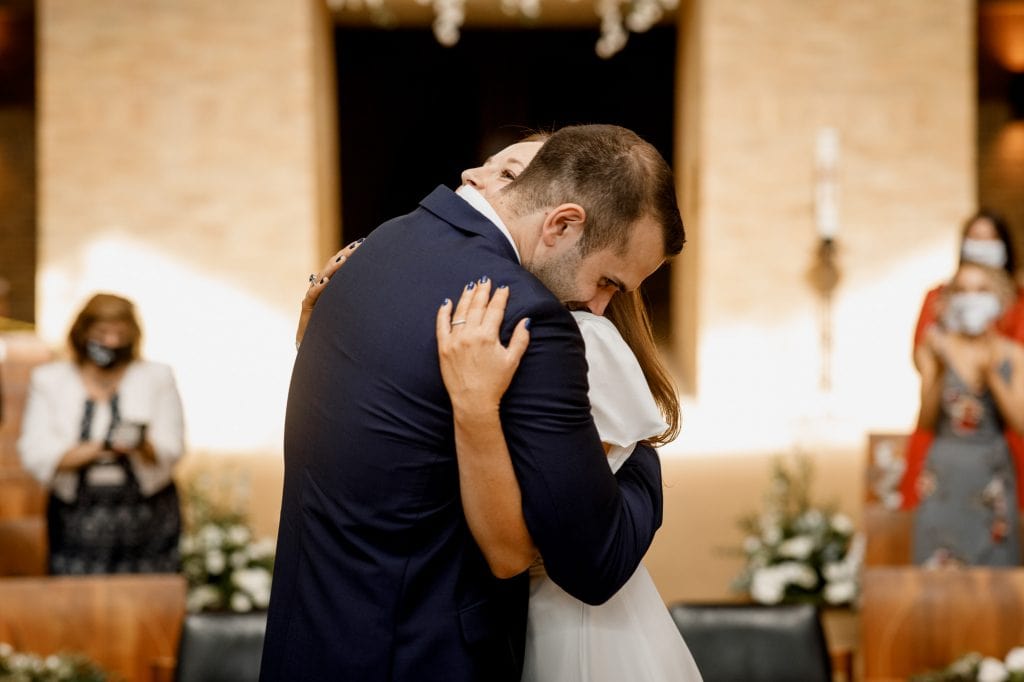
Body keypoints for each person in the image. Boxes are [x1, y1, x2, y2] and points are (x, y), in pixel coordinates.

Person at [260, 124, 685, 682]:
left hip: (311, 642)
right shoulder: (524, 316)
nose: (599, 308)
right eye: (607, 280)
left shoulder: (376, 248)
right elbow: (594, 563)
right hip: (418, 655)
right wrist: (639, 448)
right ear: (562, 222)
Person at [17, 293, 185, 574]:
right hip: (76, 521)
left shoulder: (157, 377)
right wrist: (100, 447)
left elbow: (172, 447)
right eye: (102, 333)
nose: (111, 342)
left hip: (147, 519)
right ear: (83, 333)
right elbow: (36, 453)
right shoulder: (50, 380)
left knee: (148, 606)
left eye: (120, 333)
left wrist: (140, 444)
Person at [901, 210, 1024, 511]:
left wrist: (991, 368)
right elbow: (925, 409)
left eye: (990, 237)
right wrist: (944, 357)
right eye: (975, 236)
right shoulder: (938, 323)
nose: (972, 300)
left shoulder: (1013, 328)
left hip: (1002, 449)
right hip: (945, 453)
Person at [909, 261, 1024, 566]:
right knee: (938, 582)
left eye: (981, 290)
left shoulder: (1012, 354)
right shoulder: (935, 349)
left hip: (991, 472)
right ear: (949, 299)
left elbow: (1021, 424)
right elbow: (926, 421)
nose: (971, 298)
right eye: (962, 290)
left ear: (998, 298)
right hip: (945, 475)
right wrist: (943, 368)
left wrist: (993, 378)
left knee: (995, 577)